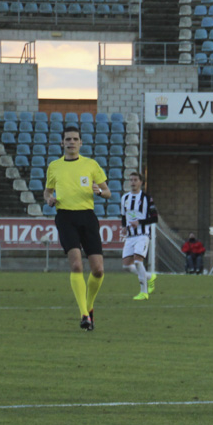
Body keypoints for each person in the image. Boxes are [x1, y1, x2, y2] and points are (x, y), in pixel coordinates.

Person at [44, 126, 111, 330]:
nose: (71, 142)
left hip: (87, 216)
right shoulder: (54, 166)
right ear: (62, 143)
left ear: (81, 143)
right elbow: (47, 192)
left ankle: (88, 307)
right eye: (68, 139)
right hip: (65, 216)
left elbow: (108, 192)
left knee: (98, 270)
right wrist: (49, 200)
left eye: (75, 139)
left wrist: (99, 191)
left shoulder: (91, 165)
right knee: (76, 266)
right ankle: (84, 315)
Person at [120, 171, 158, 300]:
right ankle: (149, 276)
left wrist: (140, 222)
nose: (133, 182)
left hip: (143, 234)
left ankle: (144, 292)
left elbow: (154, 218)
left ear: (141, 182)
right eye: (131, 180)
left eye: (135, 180)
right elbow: (123, 216)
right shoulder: (125, 198)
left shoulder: (147, 198)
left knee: (137, 261)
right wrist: (124, 227)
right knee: (126, 265)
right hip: (130, 237)